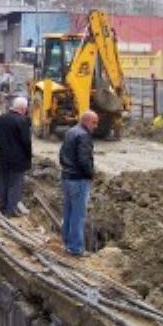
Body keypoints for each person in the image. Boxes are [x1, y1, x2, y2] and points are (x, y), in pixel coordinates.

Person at [58, 110, 99, 256]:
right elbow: (83, 160)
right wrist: (89, 174)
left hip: (67, 177)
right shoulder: (83, 136)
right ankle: (75, 248)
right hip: (79, 179)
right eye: (94, 122)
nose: (96, 126)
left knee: (69, 211)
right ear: (86, 121)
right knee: (78, 214)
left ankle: (67, 243)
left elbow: (61, 154)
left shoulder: (71, 132)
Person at [0, 96, 32, 217]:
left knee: (4, 182)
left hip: (3, 157)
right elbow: (26, 142)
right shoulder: (22, 121)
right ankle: (11, 210)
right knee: (15, 185)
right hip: (18, 159)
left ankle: (3, 208)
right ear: (23, 108)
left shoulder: (2, 118)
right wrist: (28, 156)